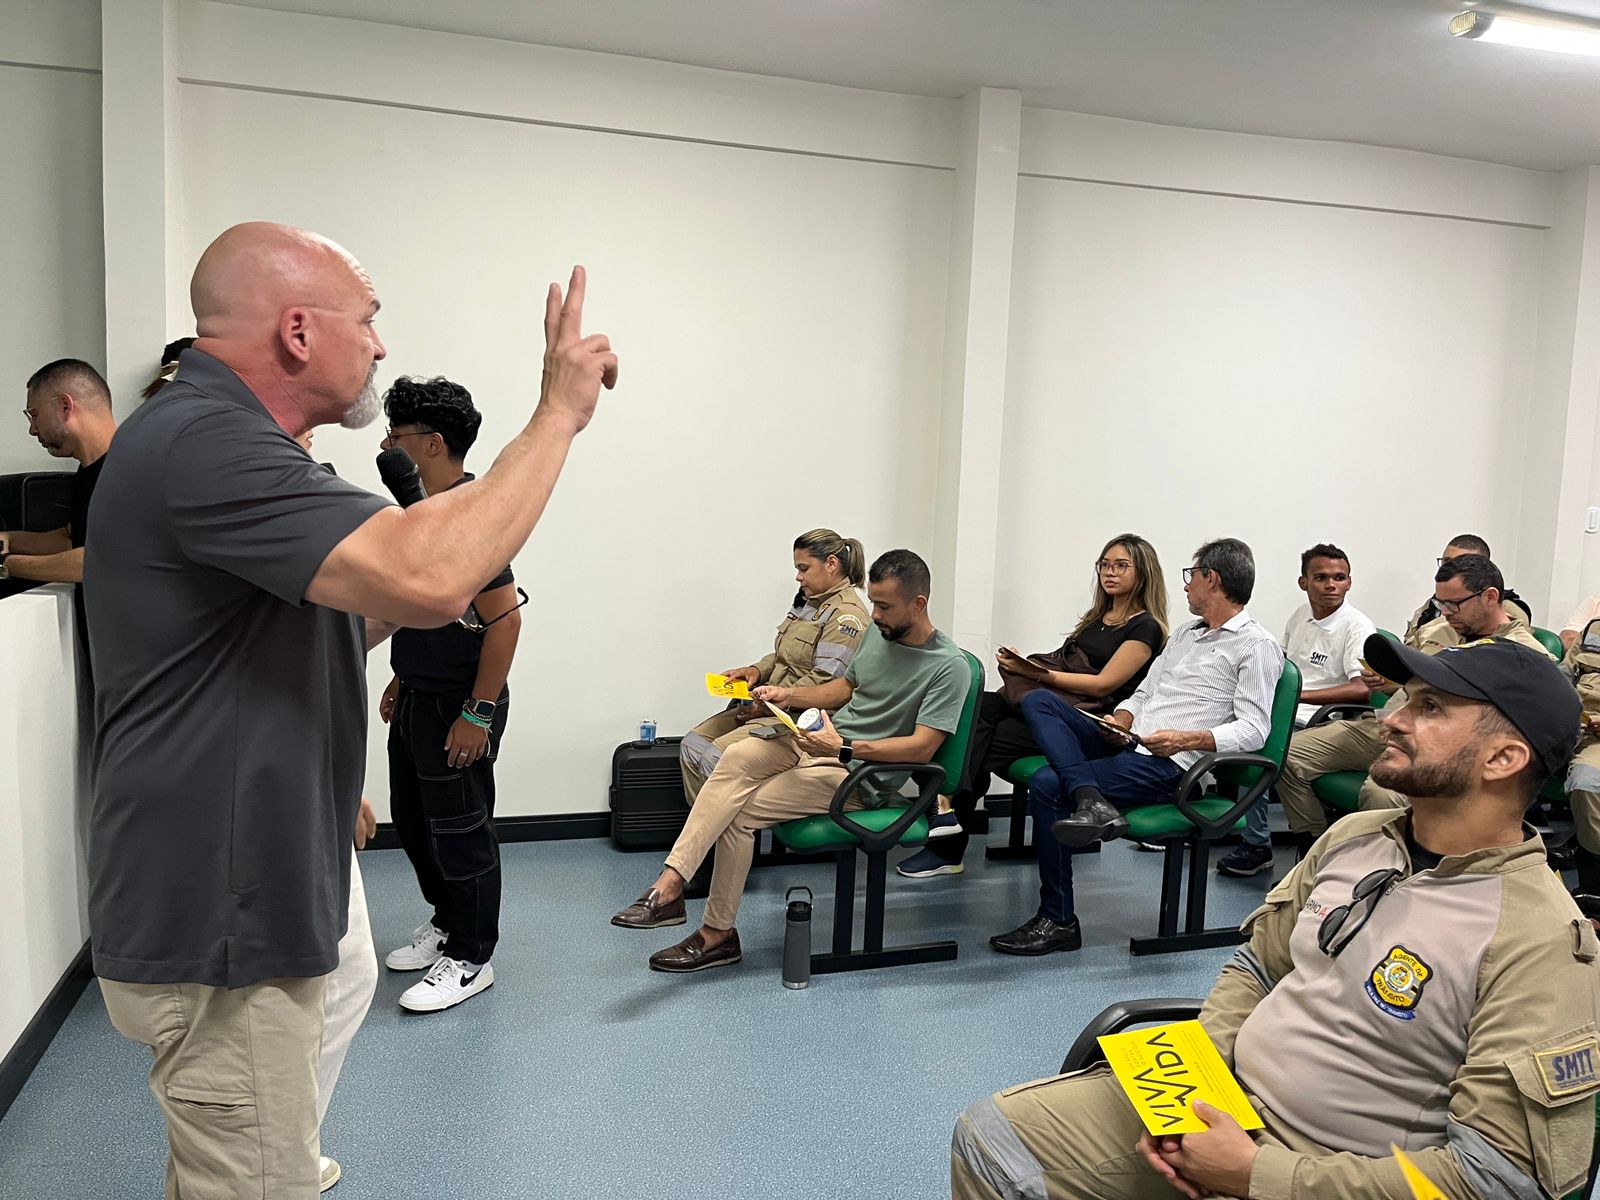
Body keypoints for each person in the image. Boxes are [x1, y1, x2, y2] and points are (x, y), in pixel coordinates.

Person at [85, 221, 616, 1198]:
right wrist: (558, 414)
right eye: (368, 321)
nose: (379, 344)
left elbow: (310, 616)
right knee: (242, 1177)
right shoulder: (207, 443)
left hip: (276, 854)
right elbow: (425, 577)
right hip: (223, 897)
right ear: (297, 330)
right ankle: (263, 1171)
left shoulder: (240, 449)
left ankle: (277, 1155)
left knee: (345, 980)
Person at [952, 635, 1599, 1200]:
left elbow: (1493, 1180)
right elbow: (1258, 965)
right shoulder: (1359, 835)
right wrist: (1191, 1093)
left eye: (1429, 707)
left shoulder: (1539, 938)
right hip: (1224, 1107)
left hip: (1329, 1173)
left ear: (1503, 759)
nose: (1394, 718)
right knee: (994, 1140)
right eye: (1405, 698)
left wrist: (1256, 1174)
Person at [610, 549, 971, 973]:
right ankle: (671, 884)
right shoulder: (879, 633)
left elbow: (921, 748)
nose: (874, 614)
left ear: (919, 603)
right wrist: (788, 696)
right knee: (737, 754)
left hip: (857, 772)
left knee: (739, 813)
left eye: (885, 606)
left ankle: (715, 934)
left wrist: (845, 749)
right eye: (873, 602)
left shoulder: (949, 666)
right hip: (816, 740)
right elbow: (841, 690)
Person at [989, 539, 1283, 956]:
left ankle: (1058, 920)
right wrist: (1122, 718)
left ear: (1211, 580)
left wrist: (1186, 739)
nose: (1186, 587)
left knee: (1046, 782)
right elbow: (1144, 692)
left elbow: (1254, 730)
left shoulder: (1257, 646)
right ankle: (1090, 798)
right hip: (1128, 742)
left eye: (1192, 576)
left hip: (1172, 765)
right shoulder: (1183, 634)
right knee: (1039, 700)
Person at [375, 375, 524, 1014]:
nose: (386, 445)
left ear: (432, 444)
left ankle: (471, 957)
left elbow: (506, 619)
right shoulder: (423, 513)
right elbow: (429, 607)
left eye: (398, 436)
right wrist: (404, 672)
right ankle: (446, 923)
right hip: (419, 692)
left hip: (459, 704)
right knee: (413, 823)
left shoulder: (470, 518)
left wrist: (477, 713)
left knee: (461, 831)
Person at [897, 533, 1168, 879]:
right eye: (1104, 564)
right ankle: (945, 818)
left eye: (1121, 566)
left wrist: (1037, 675)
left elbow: (1105, 684)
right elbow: (1067, 665)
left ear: (1142, 573)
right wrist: (1024, 668)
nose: (1109, 572)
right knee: (975, 712)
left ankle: (947, 841)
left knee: (984, 742)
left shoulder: (1145, 627)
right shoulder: (1097, 616)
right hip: (1056, 706)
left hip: (1088, 722)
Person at [1276, 554, 1554, 839]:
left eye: (1454, 604)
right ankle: (1317, 843)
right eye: (1440, 604)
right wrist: (1386, 683)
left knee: (1381, 794)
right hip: (1384, 725)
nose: (1446, 613)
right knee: (1285, 755)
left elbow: (1539, 727)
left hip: (1441, 746)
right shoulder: (1434, 630)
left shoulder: (1526, 656)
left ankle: (1387, 867)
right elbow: (1406, 682)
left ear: (1490, 597)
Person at [1215, 544, 1375, 878]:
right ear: (1304, 582)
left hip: (1328, 719)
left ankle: (1259, 844)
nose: (1331, 584)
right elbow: (1282, 665)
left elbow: (1362, 689)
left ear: (1349, 582)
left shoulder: (1356, 626)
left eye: (1339, 578)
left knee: (1258, 746)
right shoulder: (1300, 615)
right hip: (1292, 713)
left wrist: (1300, 695)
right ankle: (1234, 830)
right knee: (1236, 727)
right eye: (1321, 577)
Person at [683, 528, 870, 802]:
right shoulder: (809, 603)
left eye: (804, 568)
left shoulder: (846, 617)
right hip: (771, 704)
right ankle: (704, 834)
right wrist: (755, 671)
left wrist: (766, 703)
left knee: (717, 756)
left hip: (798, 719)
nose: (798, 576)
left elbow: (824, 683)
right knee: (693, 745)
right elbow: (783, 655)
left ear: (831, 563)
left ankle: (724, 834)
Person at [3, 358, 117, 587]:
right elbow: (70, 540)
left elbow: (98, 561)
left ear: (66, 405)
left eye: (34, 415)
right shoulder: (87, 471)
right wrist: (10, 540)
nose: (32, 429)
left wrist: (8, 566)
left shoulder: (132, 468)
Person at [1405, 533, 1531, 637]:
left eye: (1462, 563)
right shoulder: (1433, 605)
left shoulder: (1504, 609)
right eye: (1446, 562)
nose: (1451, 568)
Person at [1561, 608, 1600, 894]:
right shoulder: (1593, 630)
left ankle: (1593, 887)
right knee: (1500, 753)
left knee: (1585, 782)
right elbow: (1563, 676)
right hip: (1573, 723)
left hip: (1595, 740)